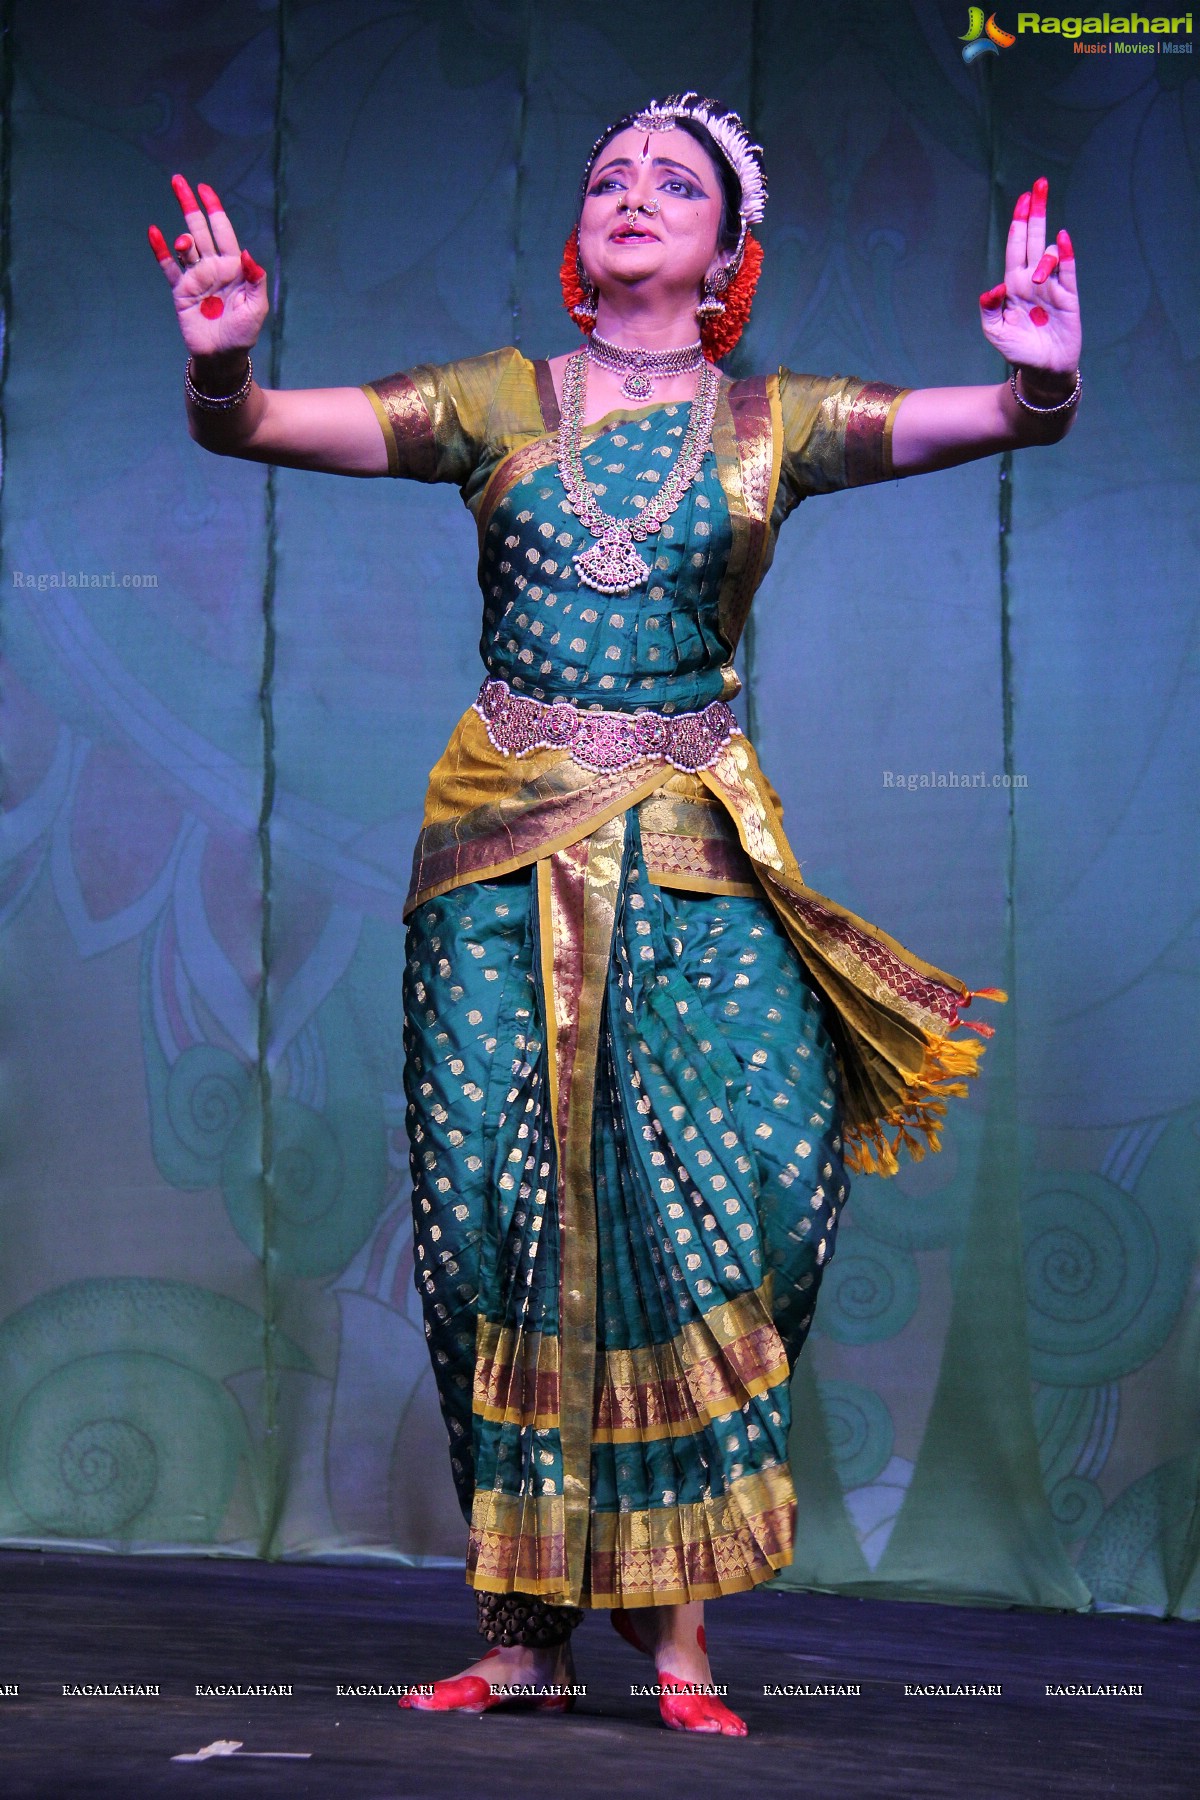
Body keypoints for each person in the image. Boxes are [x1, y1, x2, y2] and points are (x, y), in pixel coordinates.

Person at [149, 92, 1081, 1737]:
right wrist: (223, 360)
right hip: (499, 863)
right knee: (500, 1226)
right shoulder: (500, 401)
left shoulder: (774, 421)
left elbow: (991, 421)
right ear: (580, 237)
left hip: (697, 853)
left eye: (677, 182)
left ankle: (684, 1638)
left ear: (730, 250)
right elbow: (257, 429)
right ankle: (521, 1638)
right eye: (608, 176)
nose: (634, 193)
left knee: (744, 1204)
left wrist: (1041, 373)